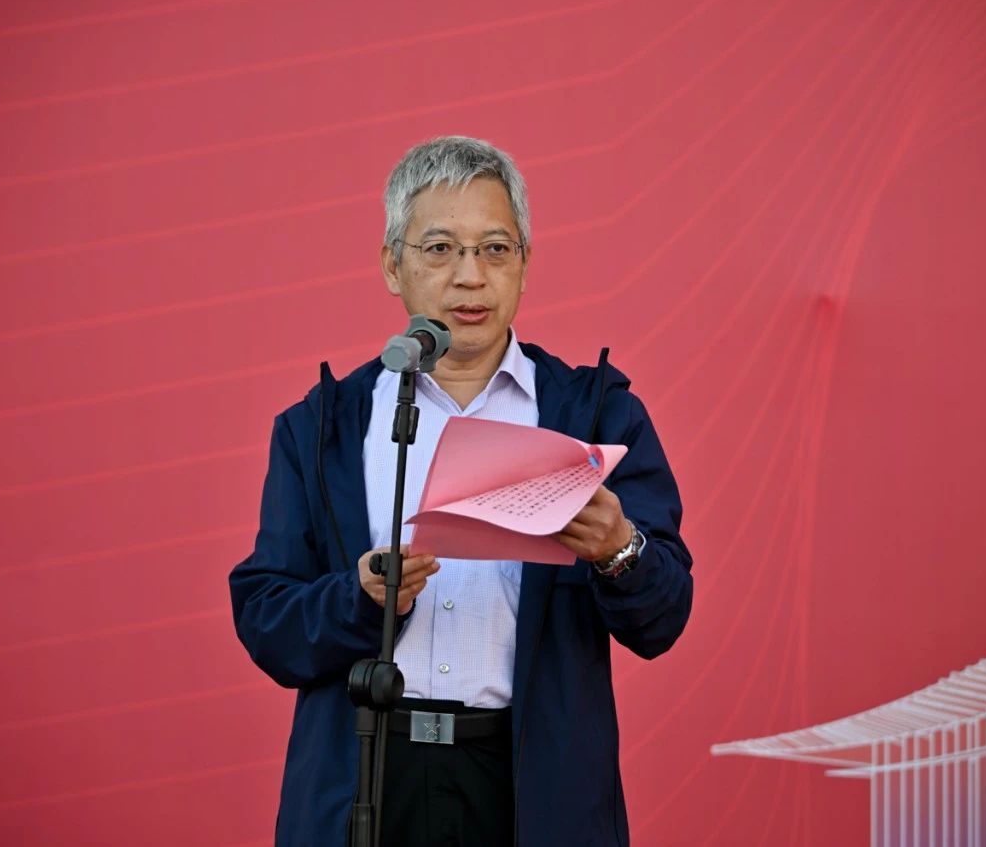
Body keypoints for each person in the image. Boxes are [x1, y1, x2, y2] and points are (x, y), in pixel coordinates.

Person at [229, 136, 693, 846]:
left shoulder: (594, 414)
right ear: (393, 264)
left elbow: (664, 618)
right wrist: (360, 598)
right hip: (369, 776)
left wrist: (618, 550)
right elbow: (268, 622)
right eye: (440, 248)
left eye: (495, 249)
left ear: (525, 264)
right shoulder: (323, 427)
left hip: (528, 787)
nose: (470, 277)